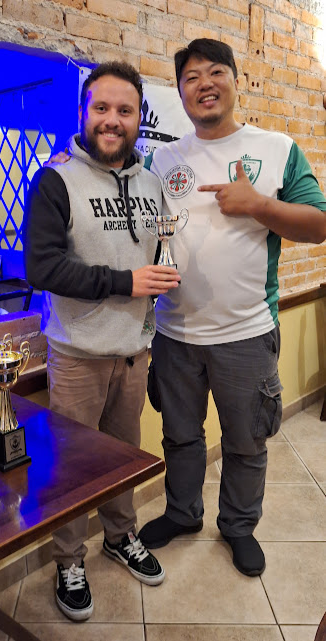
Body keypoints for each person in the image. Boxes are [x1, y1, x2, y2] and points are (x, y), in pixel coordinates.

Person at [138, 38, 326, 577]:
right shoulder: (161, 158)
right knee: (180, 437)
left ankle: (239, 526)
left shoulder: (277, 148)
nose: (204, 83)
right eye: (191, 76)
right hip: (174, 334)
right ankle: (182, 513)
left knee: (246, 442)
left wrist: (259, 205)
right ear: (181, 91)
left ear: (236, 81)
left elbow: (318, 225)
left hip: (246, 333)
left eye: (216, 71)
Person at [23, 61, 180, 621]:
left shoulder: (152, 184)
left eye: (125, 110)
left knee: (122, 458)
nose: (112, 120)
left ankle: (120, 535)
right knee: (70, 467)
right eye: (101, 108)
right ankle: (69, 559)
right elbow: (42, 268)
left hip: (134, 353)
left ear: (139, 119)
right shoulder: (55, 180)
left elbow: (159, 251)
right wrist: (125, 282)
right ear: (83, 113)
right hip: (77, 358)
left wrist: (166, 275)